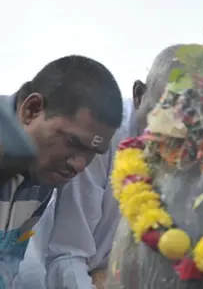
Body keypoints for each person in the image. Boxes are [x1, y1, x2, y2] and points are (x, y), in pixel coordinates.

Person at [15, 46, 183, 289]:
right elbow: (67, 256)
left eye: (187, 119)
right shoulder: (98, 134)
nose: (172, 129)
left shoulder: (191, 151)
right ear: (139, 95)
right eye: (167, 109)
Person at [0, 55, 123, 288]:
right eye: (73, 142)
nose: (80, 165)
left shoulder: (42, 173)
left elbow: (6, 260)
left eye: (93, 152)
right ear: (32, 110)